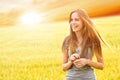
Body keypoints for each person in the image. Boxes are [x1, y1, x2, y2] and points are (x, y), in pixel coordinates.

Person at [62, 9, 107, 80]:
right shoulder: (67, 40)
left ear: (84, 22)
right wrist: (70, 61)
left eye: (76, 20)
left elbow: (101, 66)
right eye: (71, 20)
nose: (73, 22)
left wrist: (87, 61)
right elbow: (64, 67)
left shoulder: (93, 40)